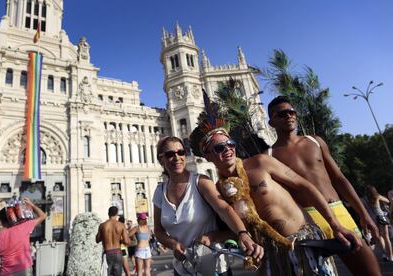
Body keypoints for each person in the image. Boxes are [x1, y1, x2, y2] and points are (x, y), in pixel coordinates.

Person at [195, 127, 363, 275]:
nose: (228, 149)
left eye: (230, 143)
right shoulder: (219, 191)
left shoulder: (261, 162)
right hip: (271, 256)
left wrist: (335, 224)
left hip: (304, 243)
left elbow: (305, 186)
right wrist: (213, 236)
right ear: (207, 156)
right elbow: (242, 230)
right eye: (219, 147)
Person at [267, 96, 381, 275]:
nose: (289, 116)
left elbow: (339, 179)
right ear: (271, 122)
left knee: (369, 270)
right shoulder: (270, 156)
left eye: (292, 112)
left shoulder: (315, 142)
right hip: (307, 221)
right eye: (282, 114)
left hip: (338, 211)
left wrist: (364, 214)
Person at [153, 136, 264, 276]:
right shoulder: (159, 191)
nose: (177, 158)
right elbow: (158, 230)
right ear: (161, 159)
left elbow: (223, 208)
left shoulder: (201, 182)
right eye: (170, 154)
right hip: (183, 269)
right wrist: (173, 244)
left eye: (181, 152)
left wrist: (242, 233)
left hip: (214, 267)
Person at [0, 197, 46, 276]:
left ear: (1, 220)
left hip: (5, 271)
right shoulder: (23, 227)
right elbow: (42, 216)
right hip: (24, 269)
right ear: (13, 217)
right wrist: (31, 205)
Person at [96, 206, 131, 276]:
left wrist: (104, 236)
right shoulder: (121, 225)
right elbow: (127, 242)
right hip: (118, 252)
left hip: (107, 253)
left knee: (106, 274)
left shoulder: (102, 225)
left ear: (108, 213)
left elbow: (97, 240)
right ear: (117, 214)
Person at [362, 185, 392, 261]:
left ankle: (385, 254)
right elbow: (388, 201)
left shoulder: (363, 199)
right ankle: (391, 256)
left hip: (372, 219)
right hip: (381, 217)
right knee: (386, 237)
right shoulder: (377, 196)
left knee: (379, 237)